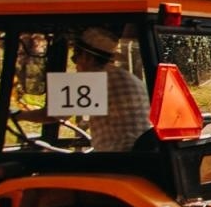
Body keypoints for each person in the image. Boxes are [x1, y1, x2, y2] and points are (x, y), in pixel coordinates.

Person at [14, 27, 152, 151]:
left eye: (75, 56)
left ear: (88, 57)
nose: (74, 63)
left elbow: (51, 115)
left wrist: (18, 115)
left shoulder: (95, 77)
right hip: (137, 154)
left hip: (116, 158)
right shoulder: (124, 77)